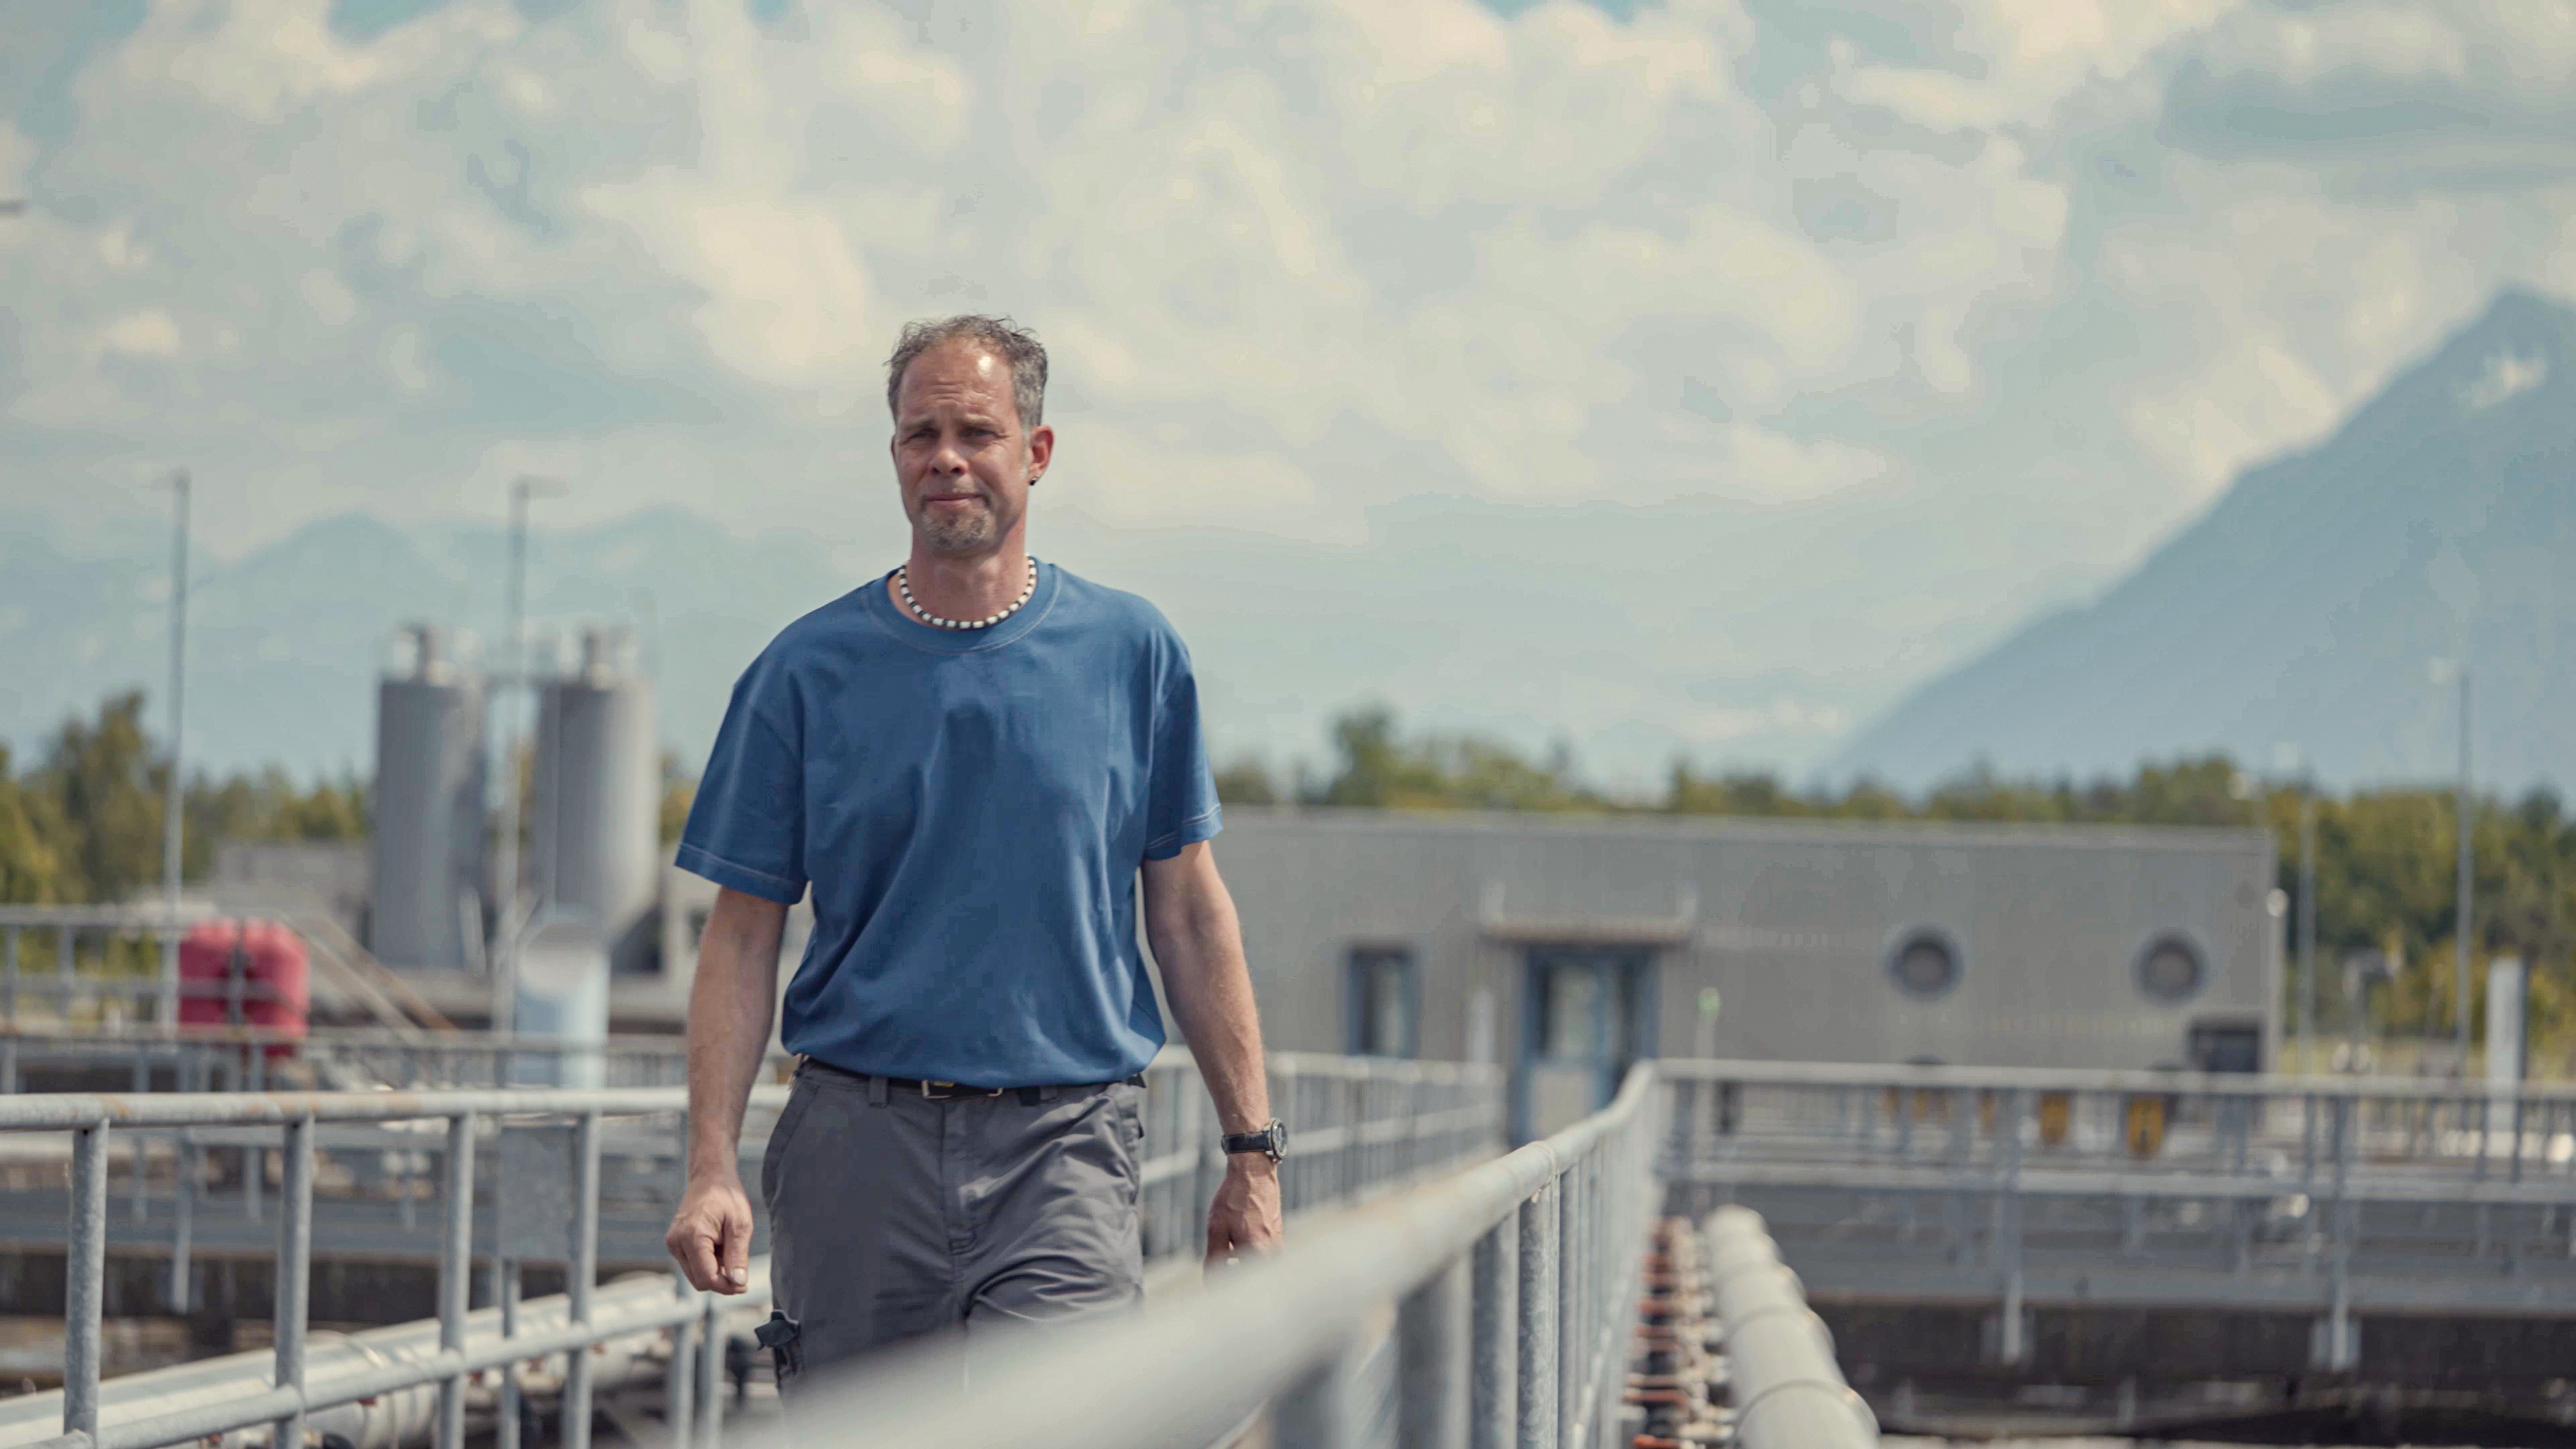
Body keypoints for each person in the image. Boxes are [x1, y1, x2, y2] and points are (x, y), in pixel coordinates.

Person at [661, 315, 1286, 1389]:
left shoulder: (1132, 655)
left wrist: (1253, 1154)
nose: (946, 458)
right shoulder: (803, 672)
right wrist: (711, 1165)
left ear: (1035, 453)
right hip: (858, 1153)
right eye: (922, 435)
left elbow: (1188, 914)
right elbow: (743, 935)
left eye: (976, 433)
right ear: (895, 455)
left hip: (1066, 1149)